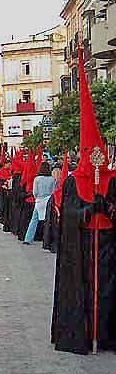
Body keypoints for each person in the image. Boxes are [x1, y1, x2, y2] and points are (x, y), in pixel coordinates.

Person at [51, 51, 116, 355]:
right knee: (87, 291)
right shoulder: (74, 183)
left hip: (109, 248)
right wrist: (88, 210)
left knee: (108, 293)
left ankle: (107, 336)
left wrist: (109, 207)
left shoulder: (113, 178)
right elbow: (69, 217)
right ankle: (85, 332)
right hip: (84, 248)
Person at [23, 162, 56, 245]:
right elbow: (53, 191)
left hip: (39, 201)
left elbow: (35, 192)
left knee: (34, 221)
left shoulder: (37, 179)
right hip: (48, 201)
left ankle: (28, 239)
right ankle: (47, 241)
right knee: (48, 221)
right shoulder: (52, 179)